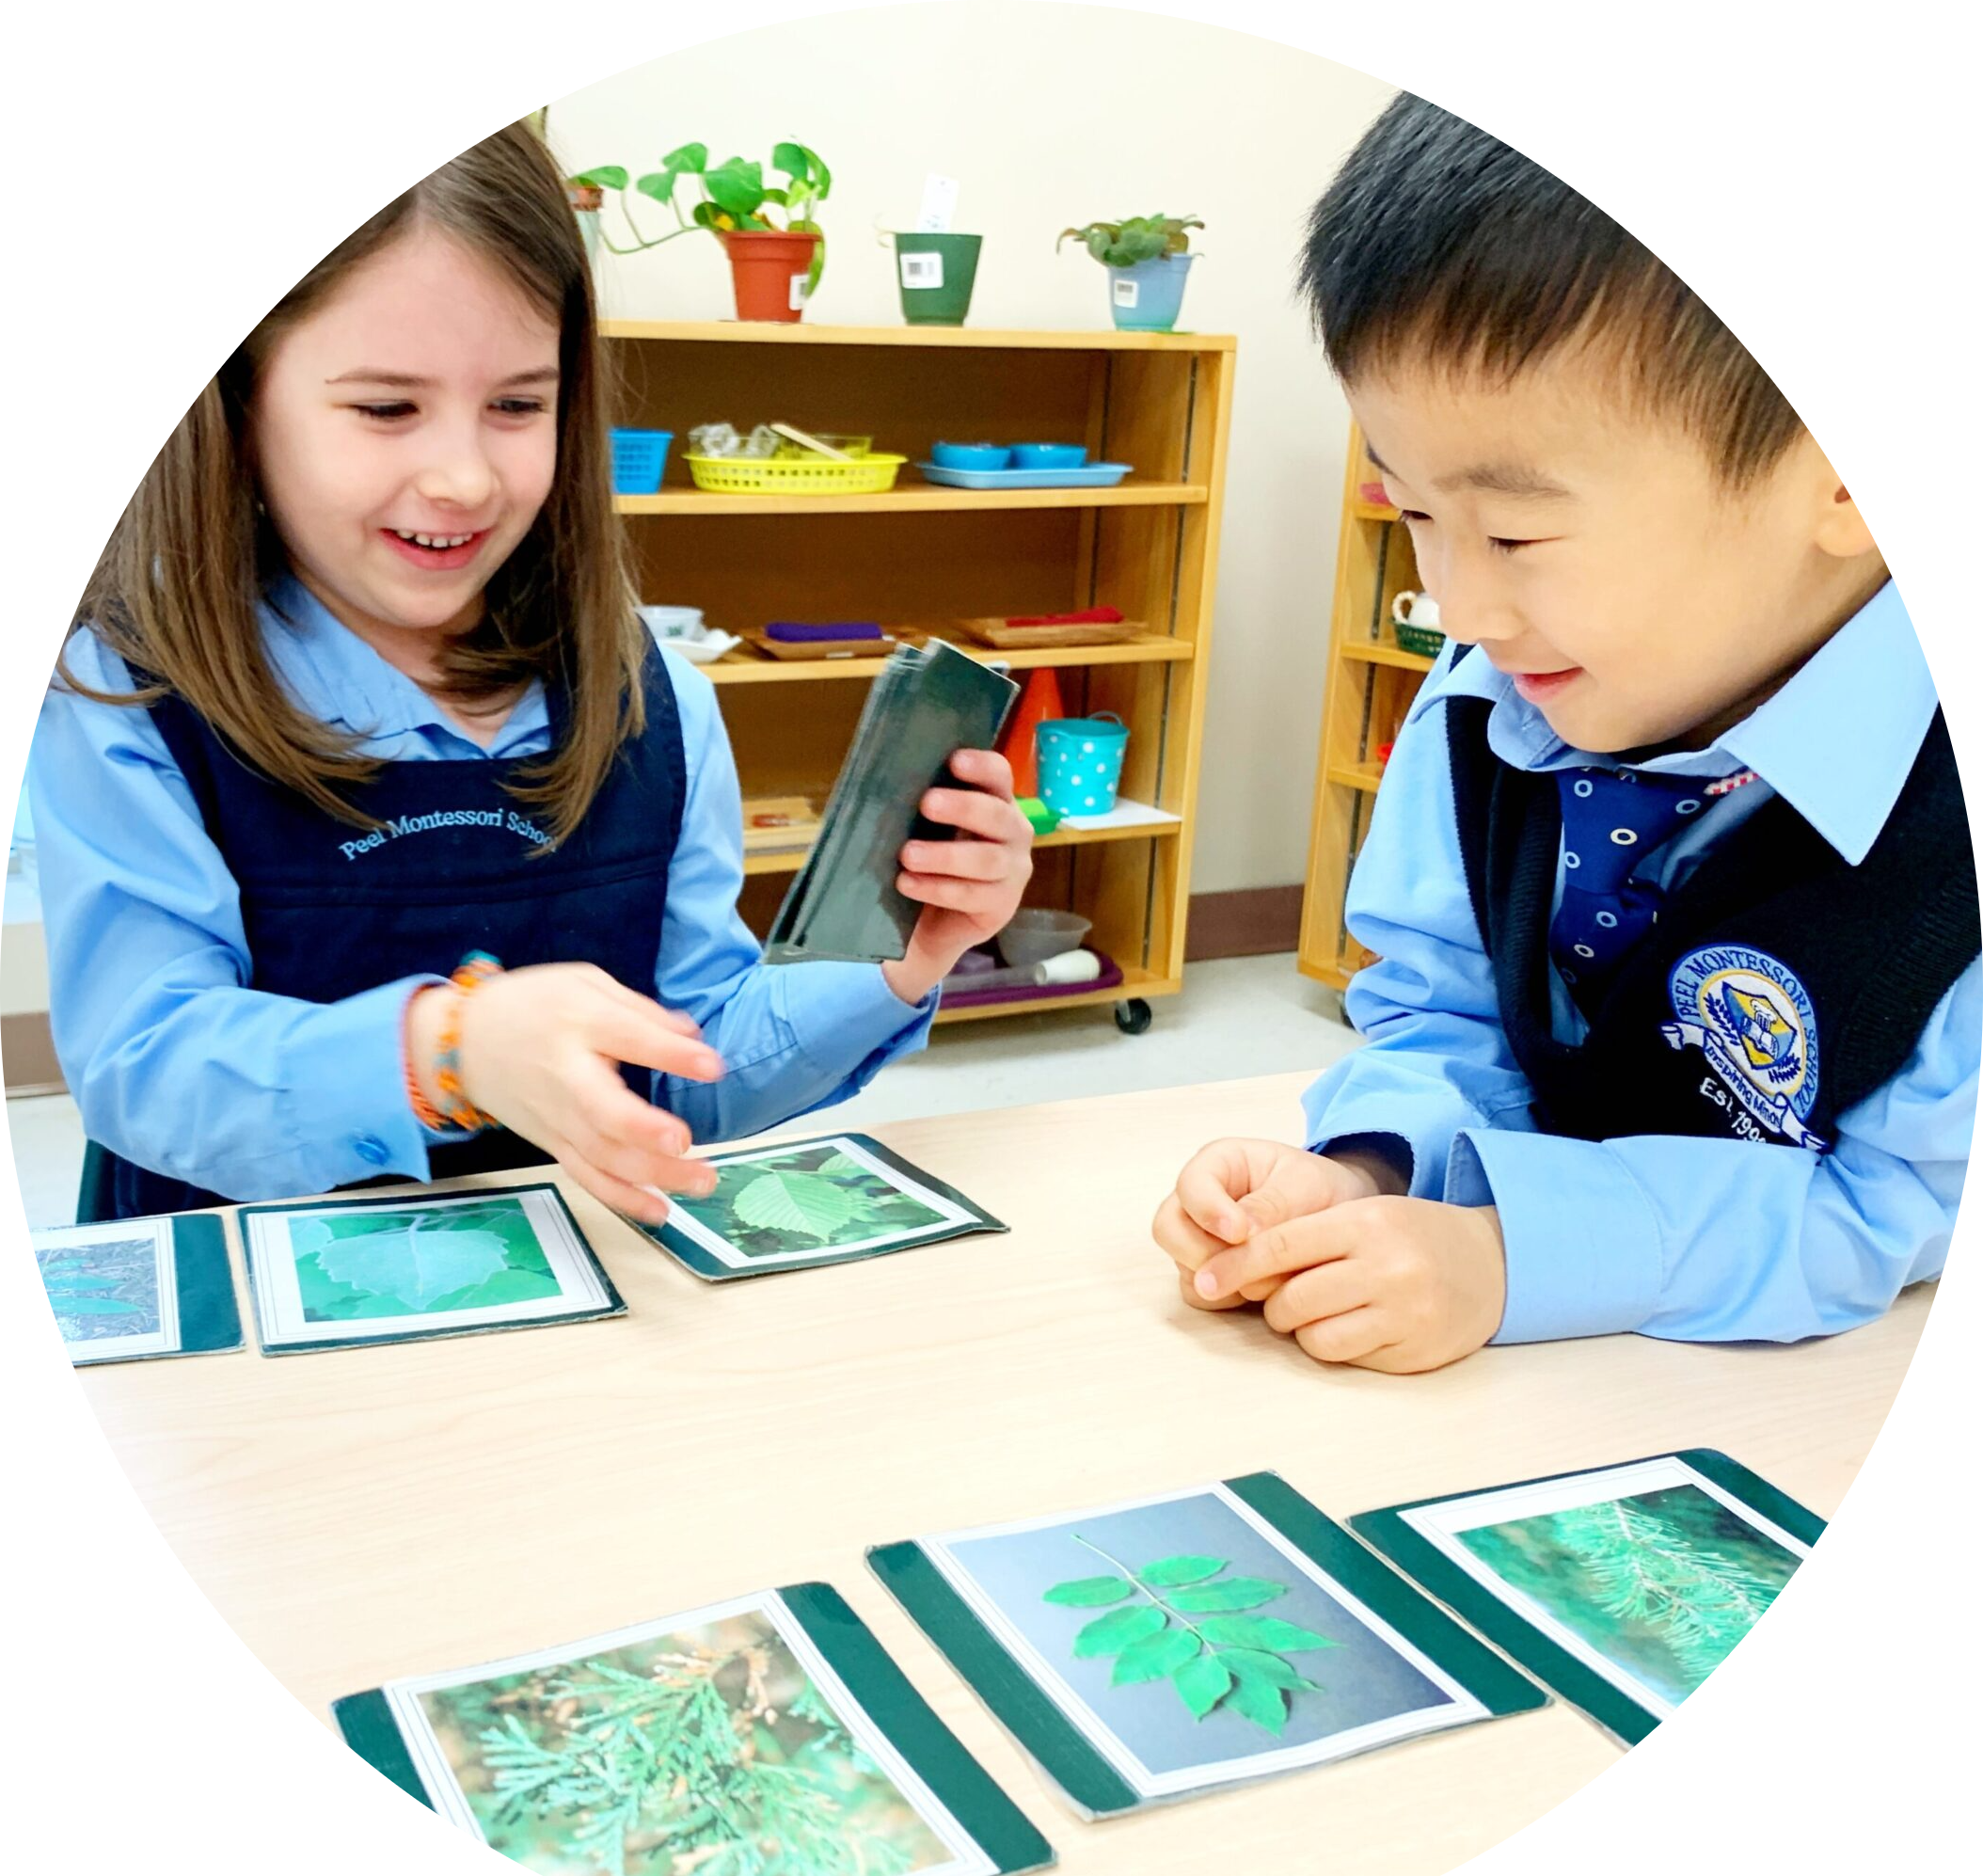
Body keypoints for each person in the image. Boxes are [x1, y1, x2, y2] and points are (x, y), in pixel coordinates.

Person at [34, 123, 1031, 1225]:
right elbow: (145, 1068)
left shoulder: (654, 697)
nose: (462, 476)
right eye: (384, 408)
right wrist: (447, 1049)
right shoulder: (131, 693)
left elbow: (688, 1069)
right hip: (250, 1330)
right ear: (238, 406)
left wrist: (900, 960)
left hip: (562, 1326)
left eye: (517, 405)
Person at [1153, 93, 1978, 1373]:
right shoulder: (1497, 684)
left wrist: (1512, 1257)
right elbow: (1439, 1013)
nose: (1462, 602)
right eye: (1413, 511)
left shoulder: (1957, 824)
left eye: (1517, 532)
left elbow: (1895, 1214)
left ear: (1854, 480)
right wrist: (1372, 1168)